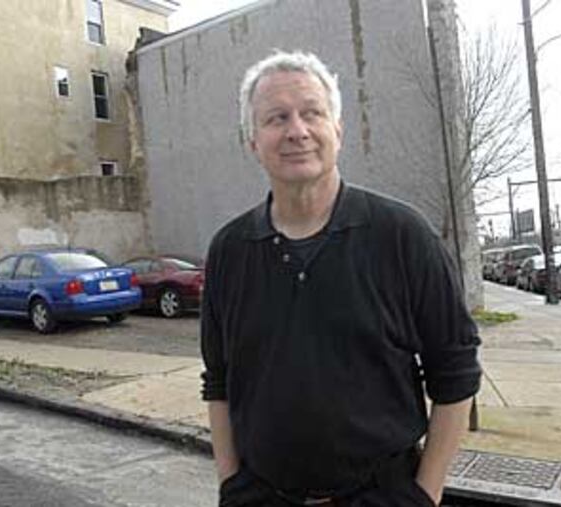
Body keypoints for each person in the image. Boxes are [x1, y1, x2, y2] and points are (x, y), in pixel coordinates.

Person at [201, 50, 481, 507]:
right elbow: (219, 381)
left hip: (383, 495)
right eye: (276, 118)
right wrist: (231, 488)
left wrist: (422, 497)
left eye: (312, 113)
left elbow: (457, 373)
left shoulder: (403, 236)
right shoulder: (230, 251)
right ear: (252, 140)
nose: (297, 131)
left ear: (338, 129)